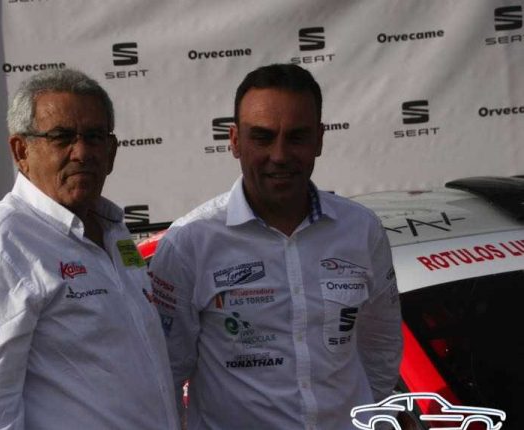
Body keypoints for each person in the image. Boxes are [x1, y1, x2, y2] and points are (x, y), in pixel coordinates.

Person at [149, 63, 403, 429]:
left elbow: (381, 348)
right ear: (235, 141)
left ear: (319, 139)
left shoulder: (361, 230)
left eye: (296, 137)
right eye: (263, 137)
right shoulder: (190, 242)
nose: (280, 155)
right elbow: (166, 374)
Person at [0, 68, 179, 430]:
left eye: (94, 137)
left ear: (111, 151)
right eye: (61, 137)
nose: (82, 152)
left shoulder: (112, 230)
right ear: (21, 151)